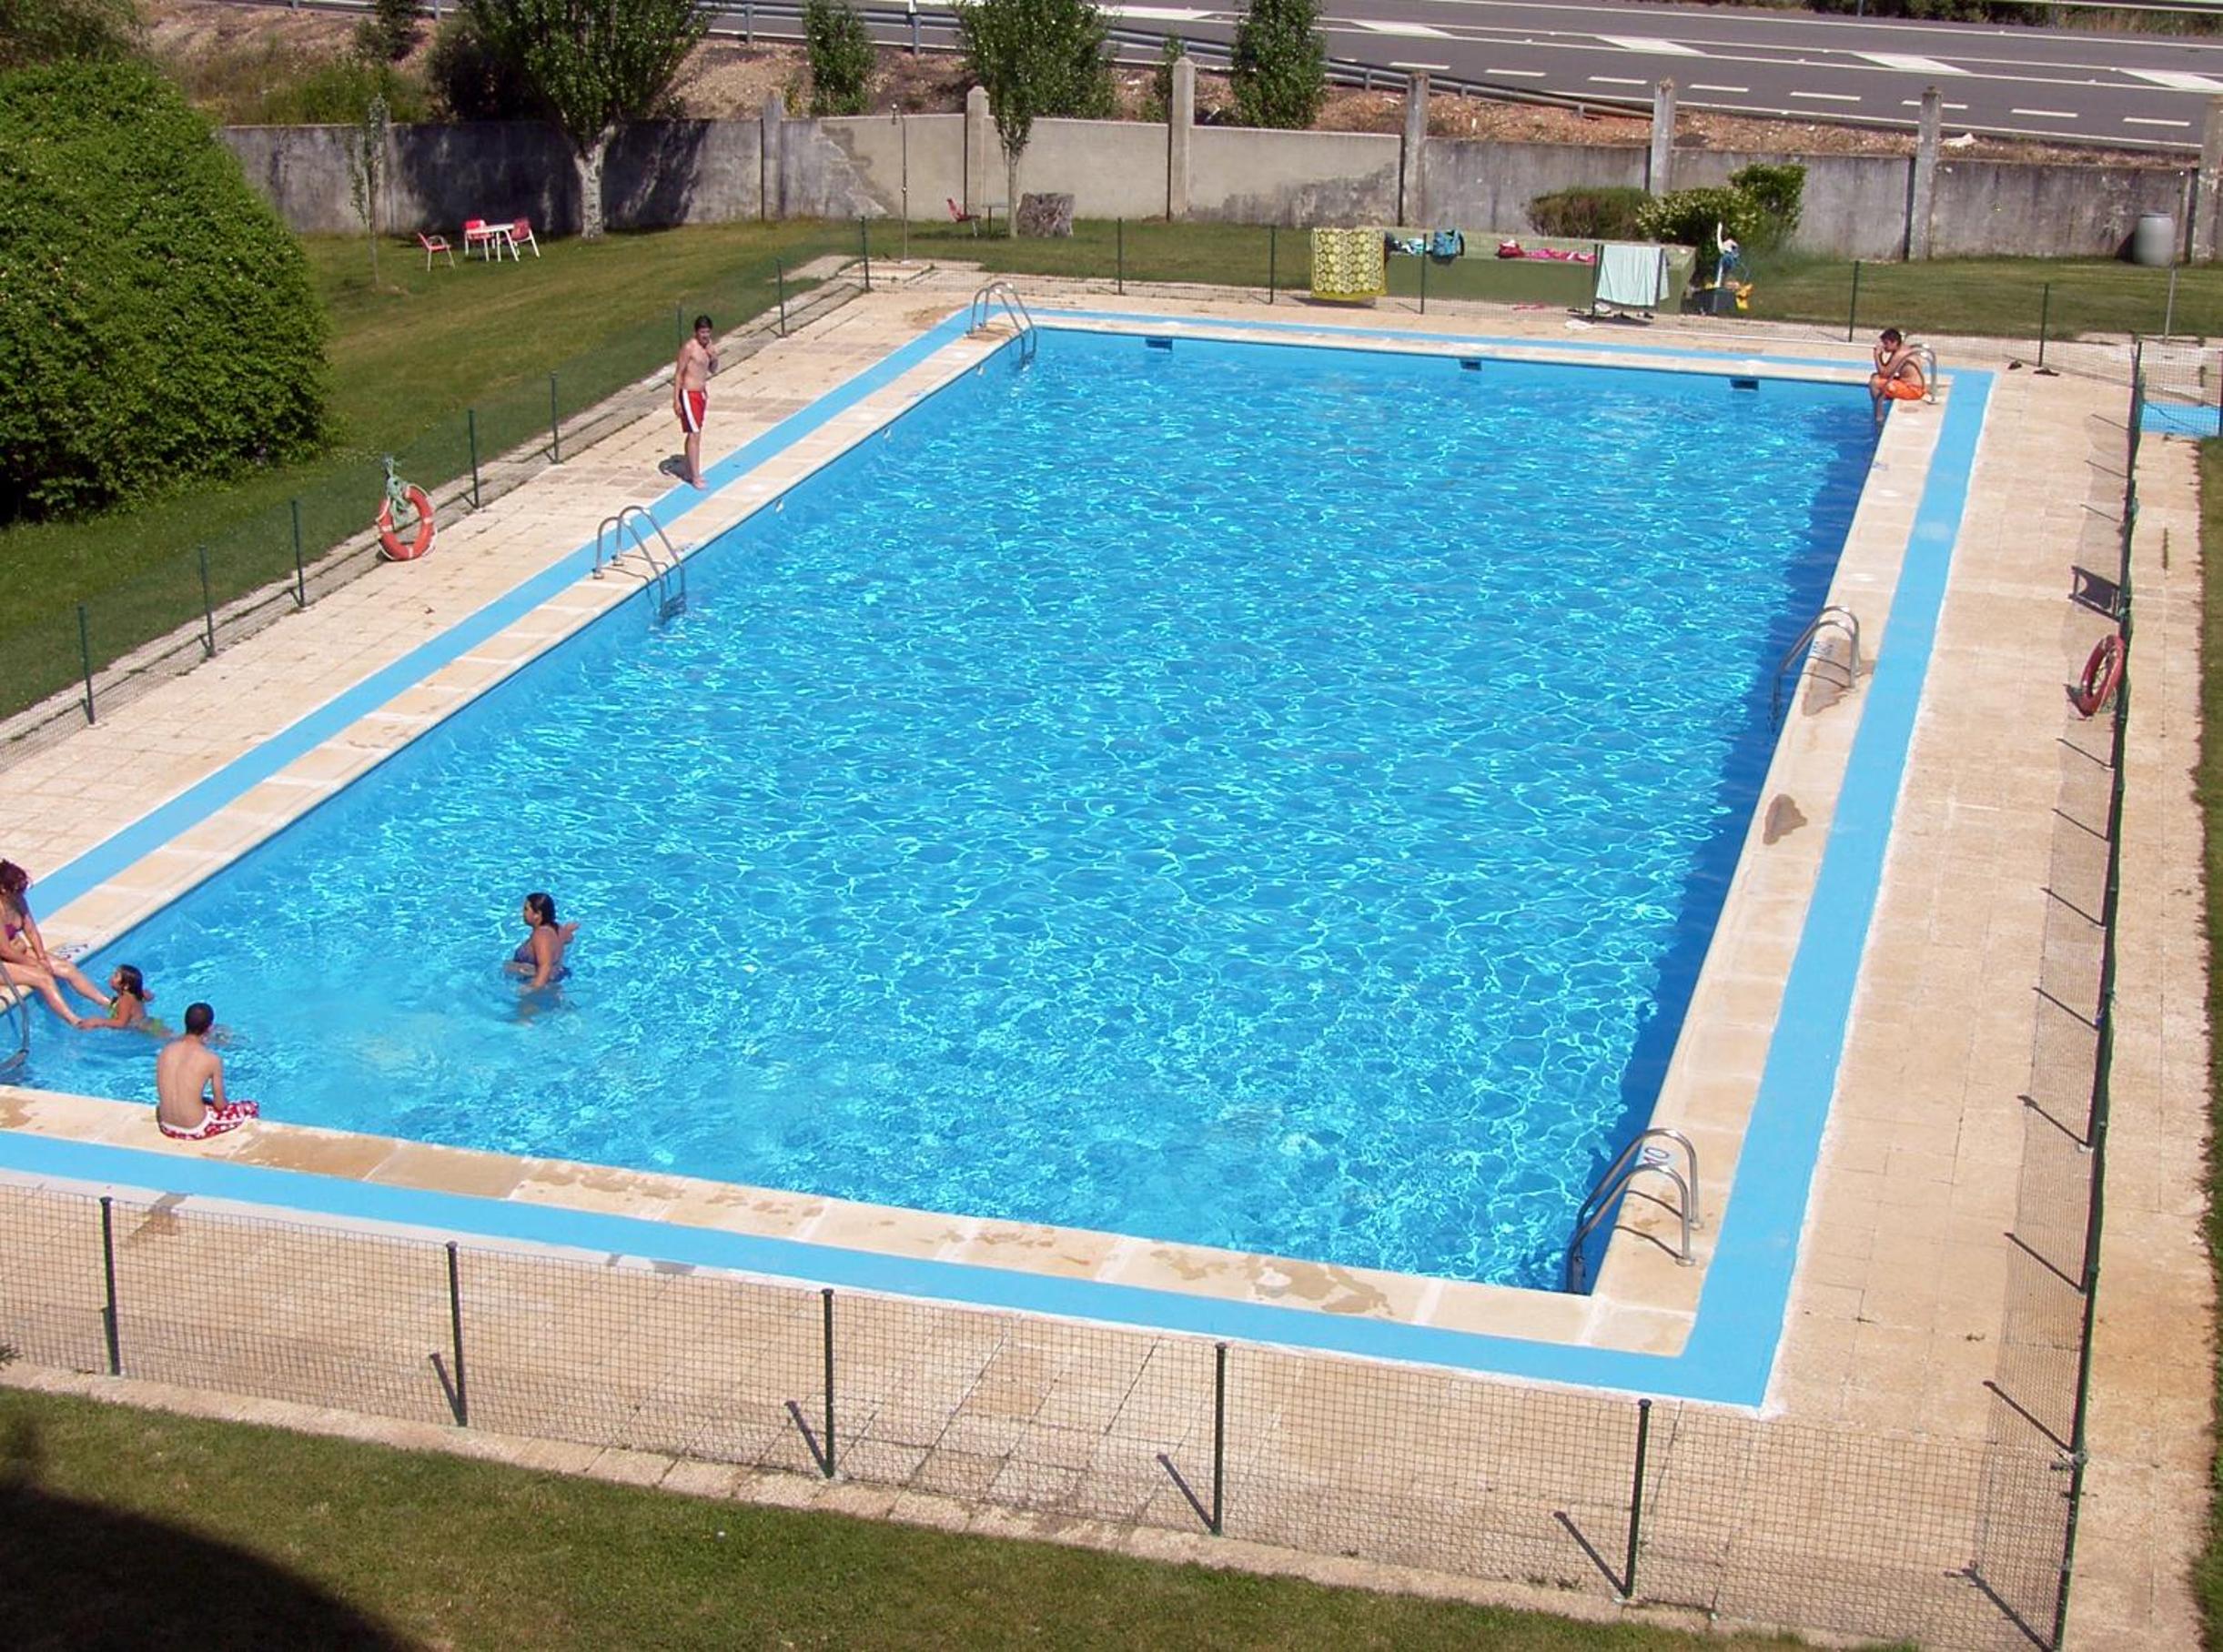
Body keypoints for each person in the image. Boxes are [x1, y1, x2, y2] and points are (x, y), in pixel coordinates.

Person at [0, 859, 105, 1022]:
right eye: (18, 889)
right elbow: (5, 950)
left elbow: (31, 931)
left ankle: (107, 1003)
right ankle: (75, 1021)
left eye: (23, 888)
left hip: (18, 954)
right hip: (3, 964)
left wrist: (41, 957)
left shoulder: (18, 900)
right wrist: (34, 964)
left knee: (67, 968)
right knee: (44, 979)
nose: (22, 892)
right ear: (3, 889)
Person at [155, 1002, 258, 1141]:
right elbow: (220, 1105)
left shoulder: (166, 1051)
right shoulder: (211, 1059)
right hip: (194, 1129)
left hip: (166, 1125)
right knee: (252, 1107)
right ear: (209, 1028)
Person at [672, 313, 720, 489]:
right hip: (689, 393)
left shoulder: (709, 347)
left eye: (707, 332)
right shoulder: (689, 348)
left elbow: (713, 370)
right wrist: (676, 400)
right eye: (702, 332)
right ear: (696, 332)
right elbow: (679, 374)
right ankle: (695, 476)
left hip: (701, 393)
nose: (705, 336)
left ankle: (688, 468)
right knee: (695, 434)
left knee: (694, 432)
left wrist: (714, 357)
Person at [509, 891, 579, 991]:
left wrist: (532, 988)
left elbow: (545, 967)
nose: (522, 913)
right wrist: (568, 930)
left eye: (526, 909)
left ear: (537, 914)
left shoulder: (541, 935)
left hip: (539, 983)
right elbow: (569, 939)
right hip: (554, 979)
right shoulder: (557, 928)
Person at [76, 963, 160, 1032]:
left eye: (116, 976)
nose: (111, 977)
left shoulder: (125, 999)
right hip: (150, 1023)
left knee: (166, 1040)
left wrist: (98, 1021)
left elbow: (121, 1023)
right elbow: (149, 996)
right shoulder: (134, 993)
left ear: (126, 986)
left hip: (145, 1028)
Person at [1869, 327, 1925, 424]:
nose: (1884, 346)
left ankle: (1879, 416)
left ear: (1894, 342)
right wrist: (1880, 357)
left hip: (1913, 390)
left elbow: (1884, 374)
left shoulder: (1900, 354)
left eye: (1886, 343)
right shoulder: (1899, 349)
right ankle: (1882, 402)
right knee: (1875, 376)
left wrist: (1877, 356)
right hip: (1909, 385)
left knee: (1874, 383)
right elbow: (1885, 371)